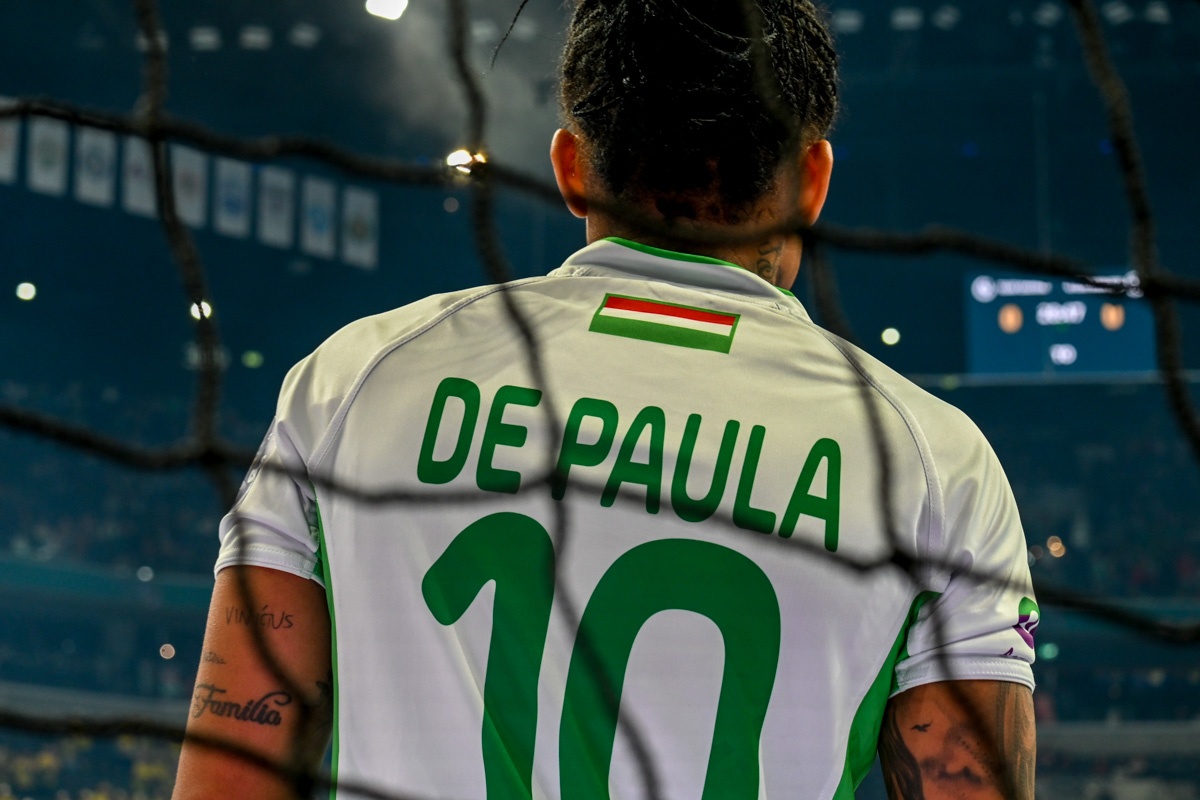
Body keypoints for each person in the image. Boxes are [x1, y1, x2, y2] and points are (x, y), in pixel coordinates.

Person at [172, 1, 1038, 798]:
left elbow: (226, 783)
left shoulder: (355, 382)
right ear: (813, 180)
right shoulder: (931, 461)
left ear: (571, 168)